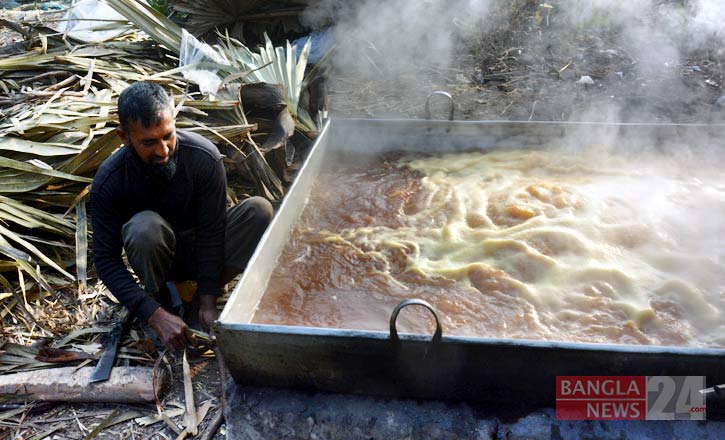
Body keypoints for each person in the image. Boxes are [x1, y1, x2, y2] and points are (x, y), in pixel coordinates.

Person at [91, 81, 273, 351]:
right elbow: (106, 261)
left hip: (204, 253)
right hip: (158, 262)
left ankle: (195, 298)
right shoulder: (110, 180)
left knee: (259, 211)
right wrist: (153, 313)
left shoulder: (204, 158)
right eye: (149, 142)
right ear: (124, 138)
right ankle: (163, 301)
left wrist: (208, 300)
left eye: (168, 136)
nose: (163, 151)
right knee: (144, 228)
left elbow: (213, 230)